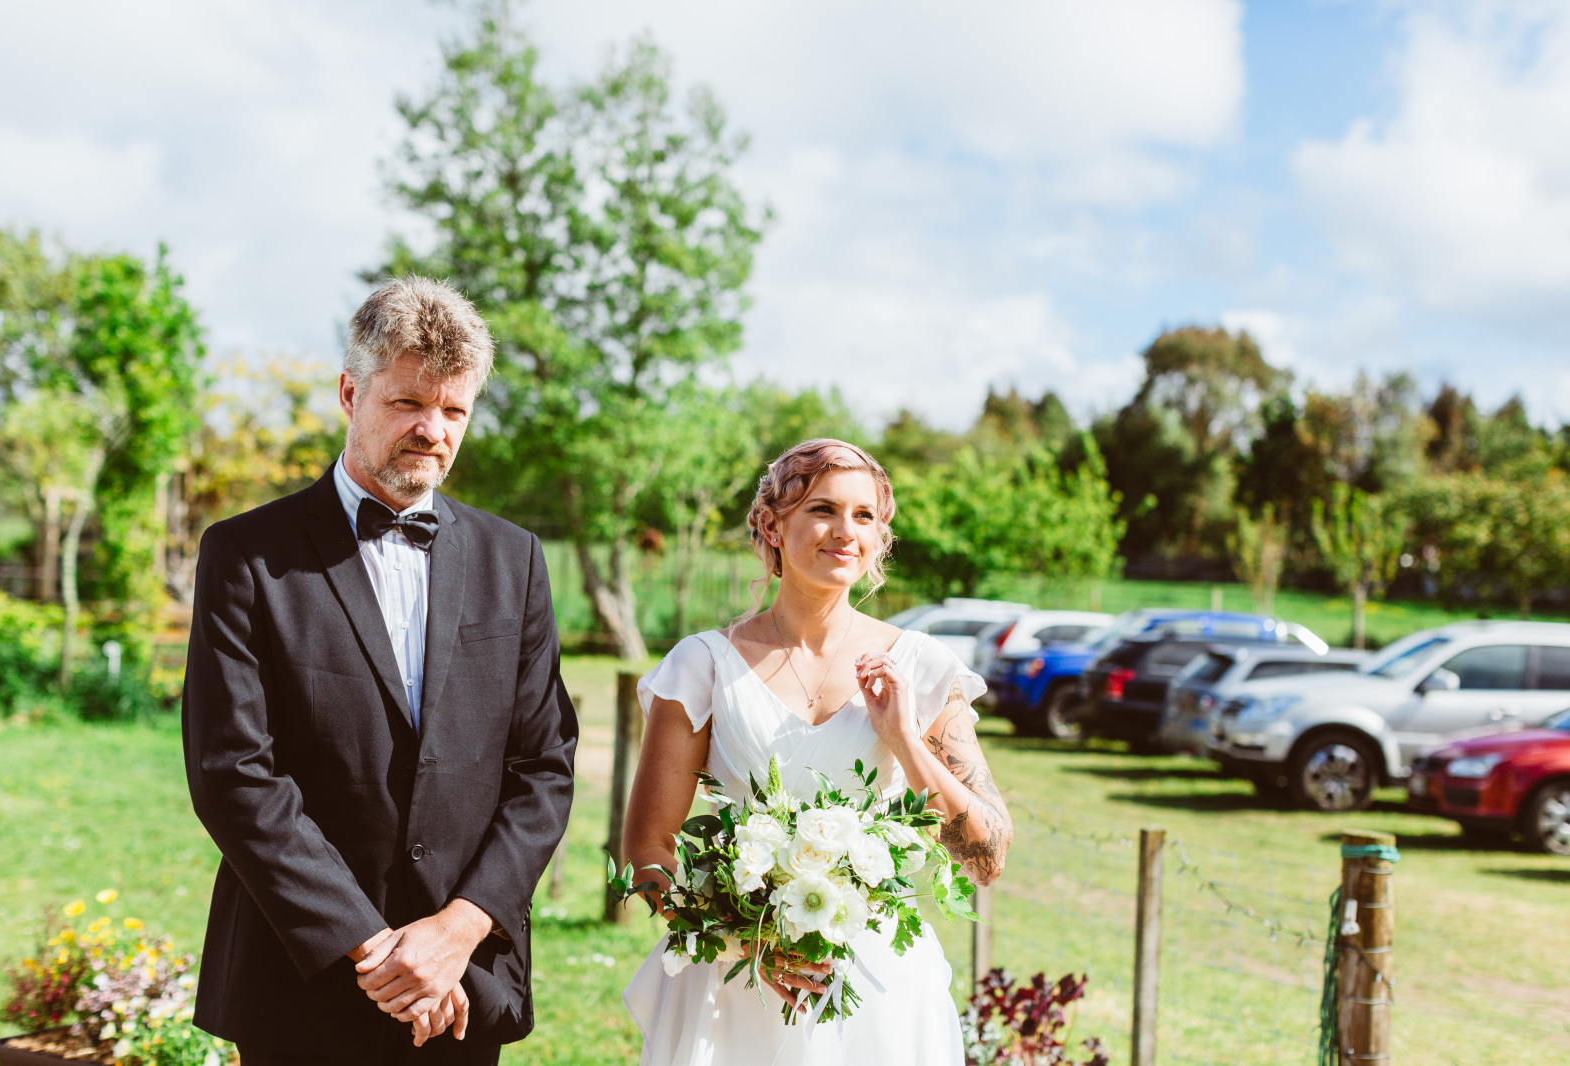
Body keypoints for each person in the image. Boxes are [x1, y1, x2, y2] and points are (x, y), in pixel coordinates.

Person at [182, 277, 578, 1065]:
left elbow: (544, 768)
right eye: (408, 403)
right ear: (349, 393)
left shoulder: (515, 560)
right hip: (301, 976)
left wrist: (456, 932)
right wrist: (377, 951)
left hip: (464, 982)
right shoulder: (245, 555)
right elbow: (234, 773)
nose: (433, 429)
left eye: (454, 410)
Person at [621, 438, 1012, 1065]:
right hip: (735, 989)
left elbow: (987, 856)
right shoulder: (703, 665)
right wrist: (743, 942)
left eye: (865, 516)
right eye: (823, 509)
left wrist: (905, 739)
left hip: (878, 997)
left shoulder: (921, 666)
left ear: (880, 538)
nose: (845, 531)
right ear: (772, 525)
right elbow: (647, 852)